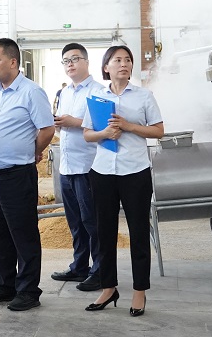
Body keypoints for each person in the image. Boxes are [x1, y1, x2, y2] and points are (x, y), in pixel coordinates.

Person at [82, 45, 163, 317]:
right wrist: (105, 133)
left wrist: (128, 127)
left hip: (135, 172)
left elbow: (158, 131)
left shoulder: (143, 96)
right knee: (104, 233)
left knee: (138, 233)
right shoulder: (96, 97)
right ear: (106, 67)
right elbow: (87, 135)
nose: (124, 64)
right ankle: (108, 288)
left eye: (128, 60)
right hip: (103, 171)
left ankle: (139, 292)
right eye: (117, 60)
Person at [0, 38, 55, 311]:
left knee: (23, 235)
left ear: (13, 62)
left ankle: (29, 291)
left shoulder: (31, 92)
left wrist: (32, 151)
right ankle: (5, 285)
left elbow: (47, 129)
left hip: (17, 175)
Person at [50, 43, 103, 292]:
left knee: (92, 221)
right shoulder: (65, 93)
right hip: (67, 166)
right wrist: (60, 124)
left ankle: (100, 271)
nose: (70, 64)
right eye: (66, 61)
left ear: (87, 62)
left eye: (75, 59)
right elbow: (64, 125)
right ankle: (79, 266)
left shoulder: (98, 91)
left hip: (88, 166)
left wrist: (75, 122)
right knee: (75, 222)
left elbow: (104, 127)